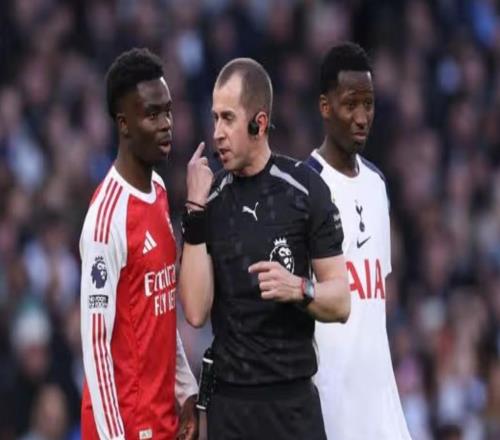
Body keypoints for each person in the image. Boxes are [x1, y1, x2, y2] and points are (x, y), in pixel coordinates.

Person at [179, 57, 350, 440]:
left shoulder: (305, 190)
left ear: (259, 122)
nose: (217, 133)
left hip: (293, 407)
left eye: (228, 118)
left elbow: (341, 301)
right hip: (230, 410)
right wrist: (194, 212)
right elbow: (195, 311)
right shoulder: (209, 201)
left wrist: (299, 288)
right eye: (214, 118)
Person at [79, 48, 199, 440]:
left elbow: (159, 312)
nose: (166, 125)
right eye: (152, 115)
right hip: (124, 426)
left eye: (168, 112)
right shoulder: (106, 219)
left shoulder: (159, 192)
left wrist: (186, 389)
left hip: (162, 418)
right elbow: (96, 342)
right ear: (124, 124)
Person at [305, 42, 412, 439]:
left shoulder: (377, 185)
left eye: (368, 104)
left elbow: (375, 297)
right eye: (351, 104)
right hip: (331, 405)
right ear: (325, 106)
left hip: (381, 401)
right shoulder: (304, 187)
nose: (362, 117)